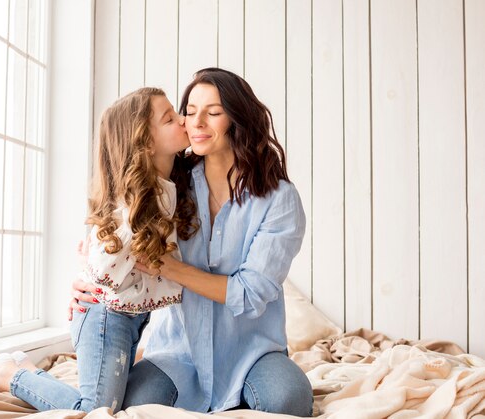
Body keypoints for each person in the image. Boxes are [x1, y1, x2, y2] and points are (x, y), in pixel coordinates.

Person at [69, 68, 313, 416]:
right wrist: (85, 281)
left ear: (238, 119)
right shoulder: (171, 185)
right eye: (189, 110)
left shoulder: (278, 200)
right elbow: (113, 225)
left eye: (213, 113)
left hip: (252, 353)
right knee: (132, 408)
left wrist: (173, 269)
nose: (196, 122)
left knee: (289, 400)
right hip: (177, 352)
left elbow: (250, 293)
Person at [0, 87, 192, 413]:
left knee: (109, 404)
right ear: (145, 141)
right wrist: (88, 267)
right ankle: (11, 375)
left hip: (129, 318)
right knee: (95, 410)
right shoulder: (140, 203)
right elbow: (104, 254)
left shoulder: (168, 187)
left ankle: (25, 371)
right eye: (170, 118)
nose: (183, 120)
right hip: (105, 316)